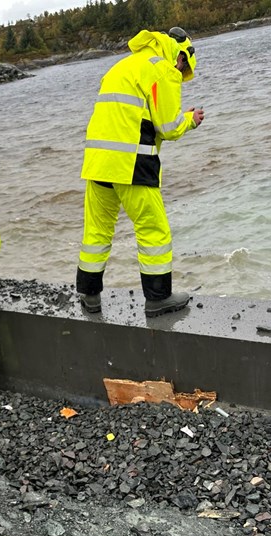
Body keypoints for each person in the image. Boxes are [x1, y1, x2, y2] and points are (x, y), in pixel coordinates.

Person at [76, 27, 205, 318]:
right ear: (181, 56)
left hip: (97, 162)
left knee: (96, 230)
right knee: (153, 230)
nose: (180, 70)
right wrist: (190, 120)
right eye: (183, 66)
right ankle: (159, 299)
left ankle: (89, 296)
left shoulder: (121, 66)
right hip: (133, 162)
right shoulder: (163, 69)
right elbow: (168, 128)